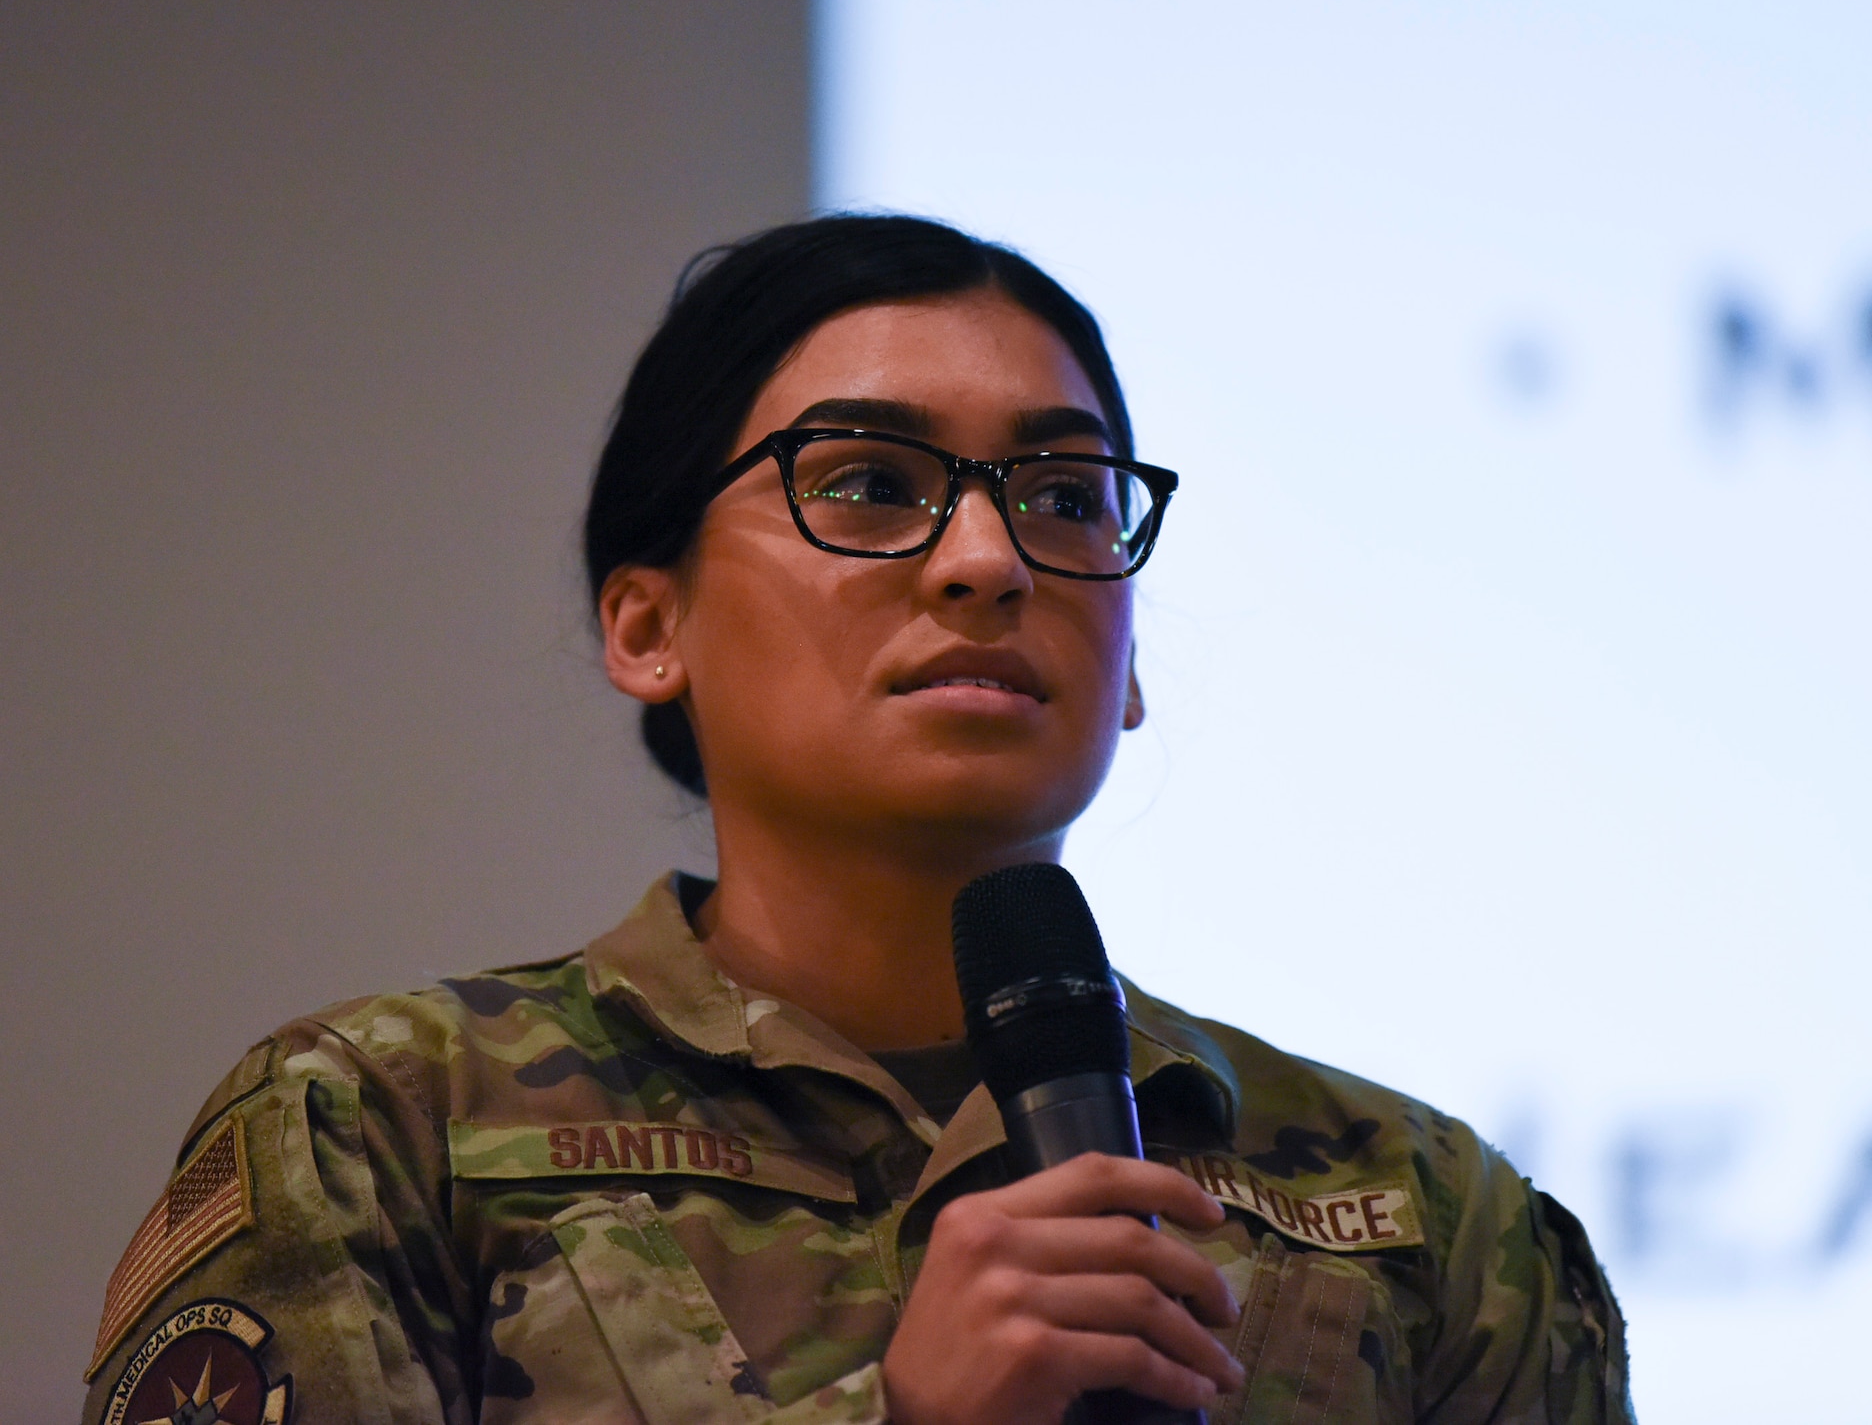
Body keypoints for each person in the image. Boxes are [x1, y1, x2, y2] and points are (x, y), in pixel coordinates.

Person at [82, 215, 1634, 1425]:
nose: (987, 562)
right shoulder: (386, 1133)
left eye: (1066, 497)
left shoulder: (1417, 1217)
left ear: (1134, 657)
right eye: (874, 482)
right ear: (647, 627)